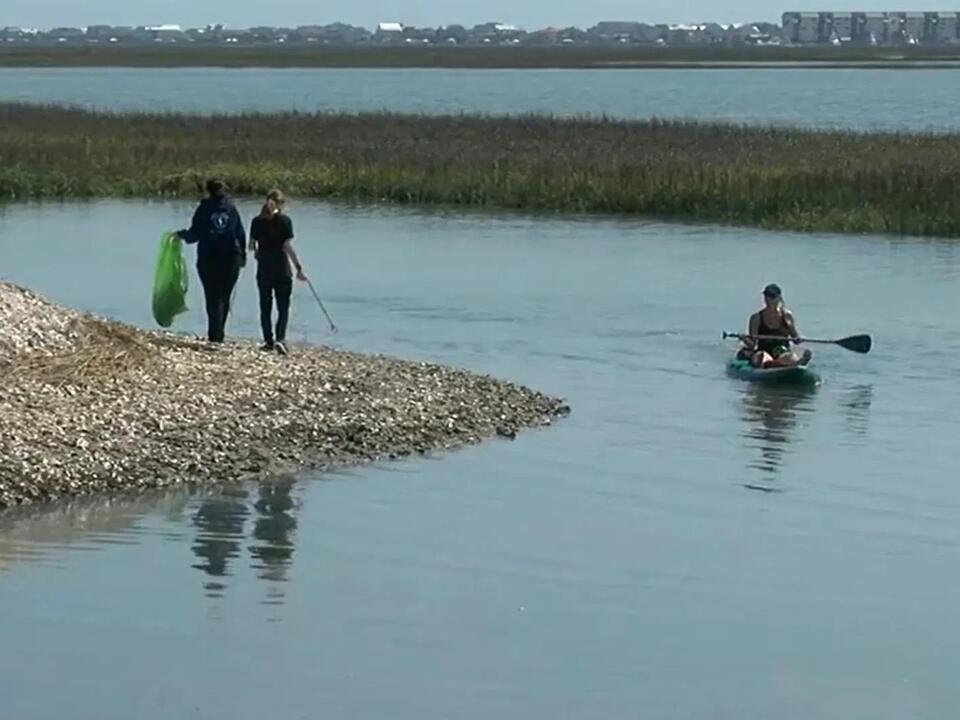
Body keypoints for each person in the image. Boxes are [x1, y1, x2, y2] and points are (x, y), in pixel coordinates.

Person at [178, 179, 246, 343]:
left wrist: (181, 235)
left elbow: (195, 234)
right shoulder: (231, 208)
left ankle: (215, 335)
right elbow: (240, 233)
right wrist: (243, 256)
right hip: (231, 258)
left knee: (212, 297)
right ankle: (219, 333)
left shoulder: (204, 209)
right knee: (224, 296)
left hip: (209, 258)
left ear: (207, 191)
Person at [249, 190, 307, 355]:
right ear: (280, 204)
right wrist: (299, 269)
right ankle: (280, 339)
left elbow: (252, 246)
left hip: (264, 269)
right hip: (282, 268)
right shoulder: (285, 221)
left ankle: (268, 341)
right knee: (283, 307)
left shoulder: (256, 221)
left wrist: (258, 253)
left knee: (265, 306)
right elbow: (287, 247)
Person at [739, 284, 812, 368]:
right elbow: (752, 344)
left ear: (779, 298)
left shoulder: (787, 316)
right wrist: (744, 339)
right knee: (761, 357)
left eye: (772, 296)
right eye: (766, 296)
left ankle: (791, 363)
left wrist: (799, 339)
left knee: (790, 357)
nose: (768, 300)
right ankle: (775, 364)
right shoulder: (756, 318)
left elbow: (795, 339)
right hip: (764, 350)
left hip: (781, 350)